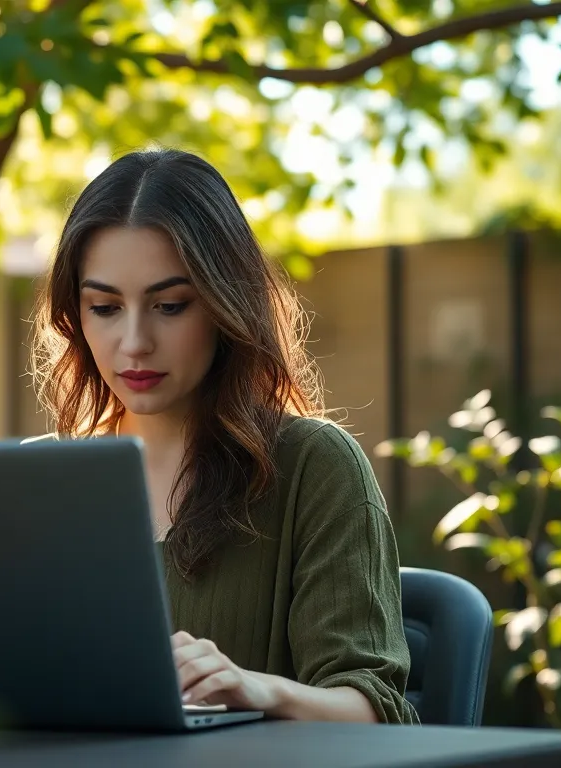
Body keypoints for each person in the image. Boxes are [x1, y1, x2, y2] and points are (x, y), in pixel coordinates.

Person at [28, 147, 419, 725]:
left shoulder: (313, 466)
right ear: (75, 317)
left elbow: (378, 712)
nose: (134, 342)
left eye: (169, 305)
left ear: (224, 303)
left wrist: (258, 691)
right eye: (105, 307)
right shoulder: (38, 481)